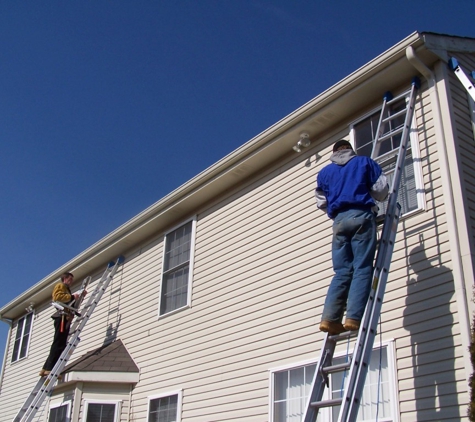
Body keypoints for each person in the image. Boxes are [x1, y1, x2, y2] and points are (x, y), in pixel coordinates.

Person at [315, 139, 389, 335]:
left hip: (338, 222)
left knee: (342, 272)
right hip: (361, 215)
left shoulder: (324, 173)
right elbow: (381, 191)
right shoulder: (364, 162)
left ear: (334, 152)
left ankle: (329, 319)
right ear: (350, 150)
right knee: (362, 267)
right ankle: (353, 318)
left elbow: (321, 202)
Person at [39, 272, 85, 377]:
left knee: (58, 342)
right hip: (62, 318)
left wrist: (78, 296)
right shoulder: (60, 286)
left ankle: (46, 368)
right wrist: (72, 296)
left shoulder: (66, 289)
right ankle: (50, 369)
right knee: (59, 343)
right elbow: (58, 297)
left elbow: (68, 302)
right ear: (65, 279)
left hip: (65, 317)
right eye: (70, 279)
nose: (71, 281)